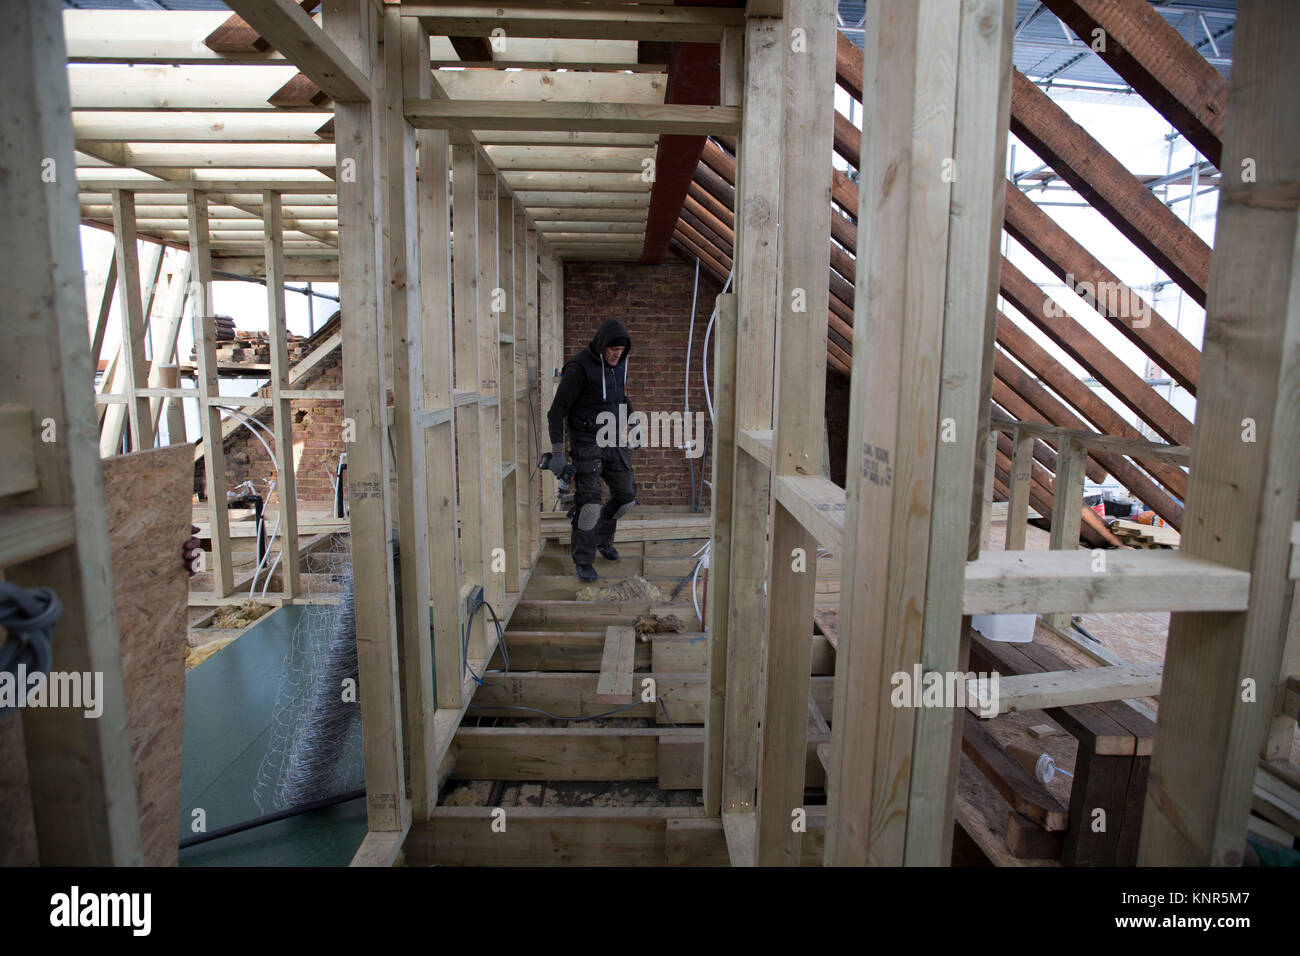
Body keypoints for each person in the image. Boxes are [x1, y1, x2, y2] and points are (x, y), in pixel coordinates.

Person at [546, 318, 640, 582]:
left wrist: (634, 421)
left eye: (621, 352)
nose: (616, 355)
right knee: (589, 505)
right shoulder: (578, 368)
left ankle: (602, 538)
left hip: (613, 437)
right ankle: (583, 560)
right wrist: (557, 453)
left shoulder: (618, 366)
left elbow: (620, 397)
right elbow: (556, 413)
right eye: (613, 350)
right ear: (601, 345)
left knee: (626, 497)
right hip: (586, 441)